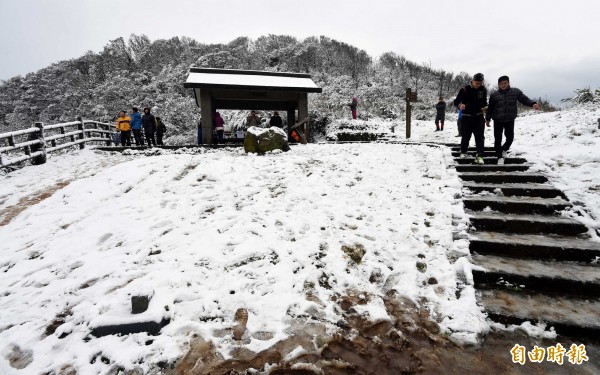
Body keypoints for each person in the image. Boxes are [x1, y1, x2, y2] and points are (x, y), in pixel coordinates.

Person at [486, 75, 541, 164]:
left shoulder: (515, 92)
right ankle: (499, 157)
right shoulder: (494, 95)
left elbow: (524, 99)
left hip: (510, 119)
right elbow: (490, 108)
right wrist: (487, 119)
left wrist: (532, 103)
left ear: (508, 83)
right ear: (498, 85)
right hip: (498, 120)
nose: (503, 85)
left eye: (505, 83)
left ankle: (504, 149)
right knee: (498, 139)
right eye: (501, 84)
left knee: (510, 138)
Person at [454, 73, 488, 164]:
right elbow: (456, 101)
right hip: (466, 117)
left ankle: (479, 156)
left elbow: (484, 102)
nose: (478, 85)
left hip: (479, 117)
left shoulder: (483, 90)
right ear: (472, 81)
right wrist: (460, 105)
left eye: (479, 83)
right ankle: (463, 152)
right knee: (465, 136)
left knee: (480, 137)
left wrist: (485, 107)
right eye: (476, 83)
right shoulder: (464, 89)